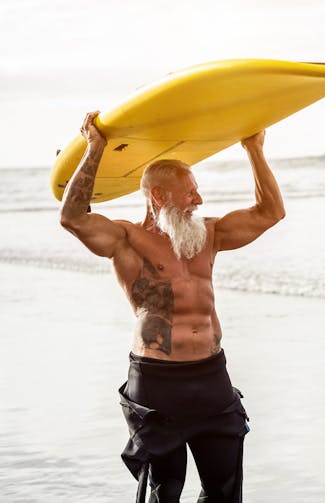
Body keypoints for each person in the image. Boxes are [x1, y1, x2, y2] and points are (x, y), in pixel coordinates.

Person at [59, 111, 285, 502]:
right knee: (166, 491)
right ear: (159, 195)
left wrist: (254, 148)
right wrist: (95, 148)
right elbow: (73, 217)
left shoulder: (209, 234)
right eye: (190, 191)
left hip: (212, 376)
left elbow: (271, 213)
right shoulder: (124, 239)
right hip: (156, 381)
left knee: (225, 490)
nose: (199, 198)